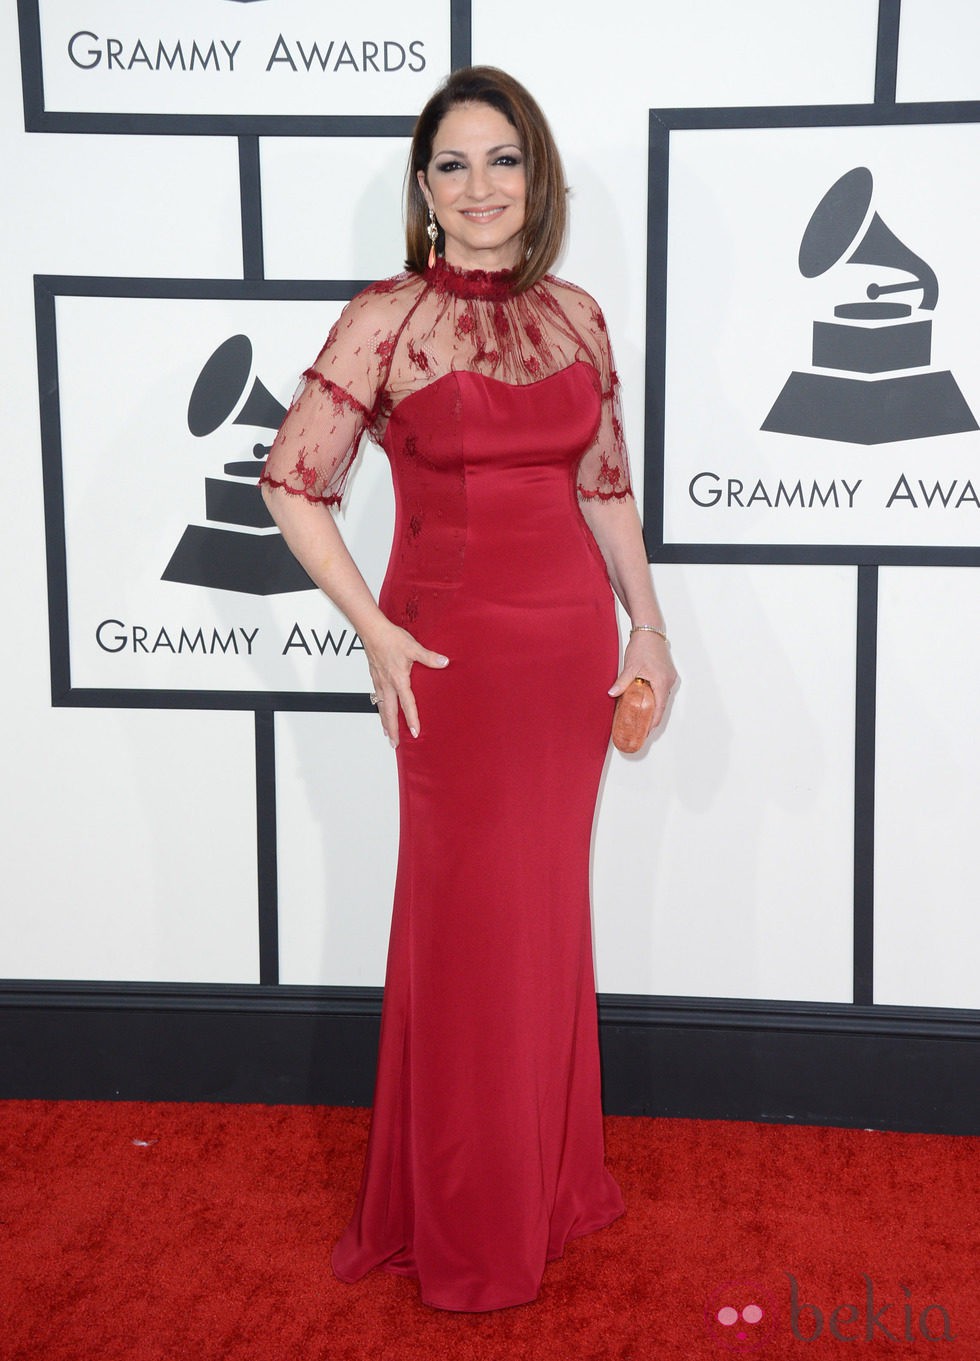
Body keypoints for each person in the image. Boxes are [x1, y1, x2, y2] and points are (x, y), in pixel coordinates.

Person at [259, 65, 677, 1312]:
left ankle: (543, 1181)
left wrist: (646, 629)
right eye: (453, 163)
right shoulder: (386, 318)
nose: (480, 185)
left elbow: (602, 485)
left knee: (543, 912)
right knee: (469, 928)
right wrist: (376, 631)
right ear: (424, 188)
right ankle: (464, 1211)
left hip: (559, 654)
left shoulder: (578, 318)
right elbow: (291, 481)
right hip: (446, 657)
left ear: (534, 179)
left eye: (502, 160)